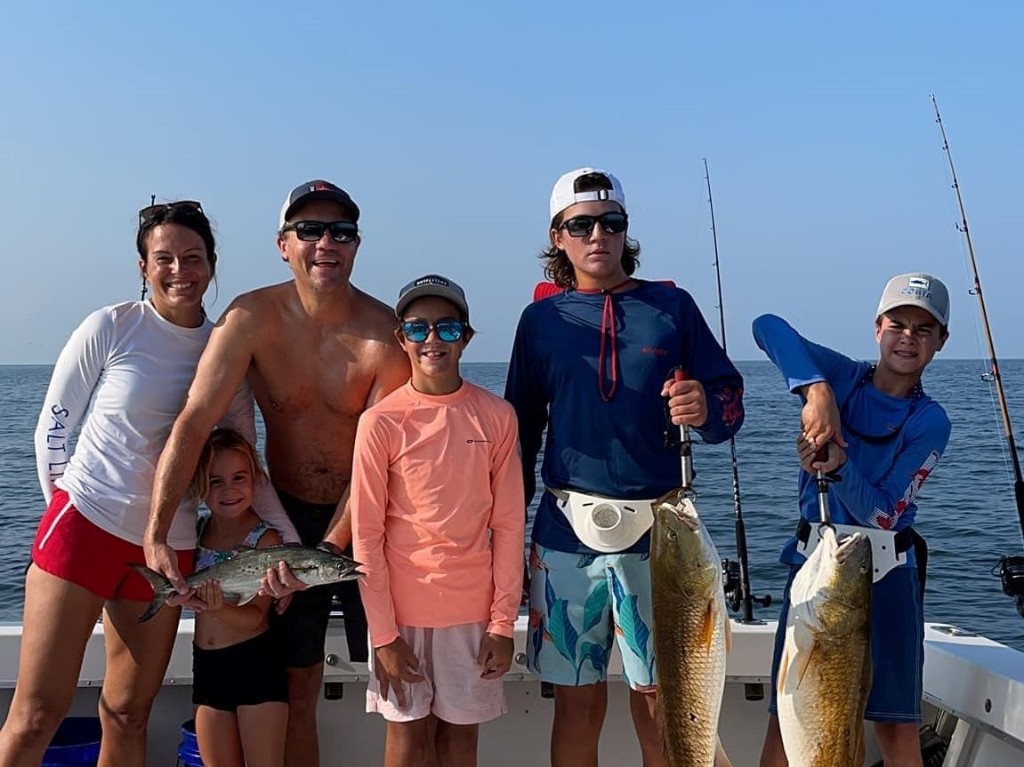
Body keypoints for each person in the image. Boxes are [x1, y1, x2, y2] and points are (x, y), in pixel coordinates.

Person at [0, 201, 296, 767]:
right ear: (143, 266)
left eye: (193, 257)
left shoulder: (225, 352)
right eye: (164, 259)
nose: (180, 270)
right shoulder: (111, 327)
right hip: (84, 527)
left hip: (170, 547)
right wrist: (66, 511)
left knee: (129, 713)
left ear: (212, 264)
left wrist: (291, 546)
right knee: (36, 714)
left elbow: (246, 467)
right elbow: (53, 430)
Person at [145, 180, 410, 766]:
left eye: (341, 232)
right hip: (286, 518)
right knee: (297, 688)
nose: (325, 243)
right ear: (282, 243)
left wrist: (326, 550)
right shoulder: (250, 318)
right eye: (309, 230)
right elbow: (194, 421)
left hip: (367, 520)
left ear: (357, 244)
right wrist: (157, 532)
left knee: (397, 685)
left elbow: (377, 463)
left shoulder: (385, 336)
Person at [504, 167, 745, 766]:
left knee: (662, 700)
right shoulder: (540, 322)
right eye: (580, 225)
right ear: (558, 237)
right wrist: (502, 536)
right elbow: (520, 433)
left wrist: (705, 408)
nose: (597, 235)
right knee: (575, 703)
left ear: (625, 231)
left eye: (610, 223)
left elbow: (729, 404)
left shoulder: (673, 307)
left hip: (660, 536)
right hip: (564, 533)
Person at [754, 272, 952, 767]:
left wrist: (839, 468)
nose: (908, 337)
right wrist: (817, 390)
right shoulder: (842, 376)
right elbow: (767, 326)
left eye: (923, 329)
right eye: (897, 324)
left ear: (941, 341)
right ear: (877, 328)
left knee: (896, 725)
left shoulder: (931, 421)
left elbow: (884, 513)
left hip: (886, 573)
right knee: (787, 713)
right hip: (817, 566)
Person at [351, 274, 525, 766]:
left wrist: (502, 624)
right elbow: (366, 535)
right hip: (399, 617)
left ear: (465, 338)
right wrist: (383, 636)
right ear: (401, 338)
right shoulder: (380, 422)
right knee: (406, 743)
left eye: (447, 328)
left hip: (473, 616)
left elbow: (509, 526)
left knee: (458, 745)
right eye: (418, 328)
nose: (433, 339)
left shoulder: (497, 416)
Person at [189, 428, 288, 767]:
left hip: (256, 666)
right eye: (215, 481)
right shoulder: (196, 532)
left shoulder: (266, 540)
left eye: (238, 478)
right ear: (199, 485)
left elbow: (255, 617)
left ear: (256, 478)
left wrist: (217, 608)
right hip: (206, 669)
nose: (228, 489)